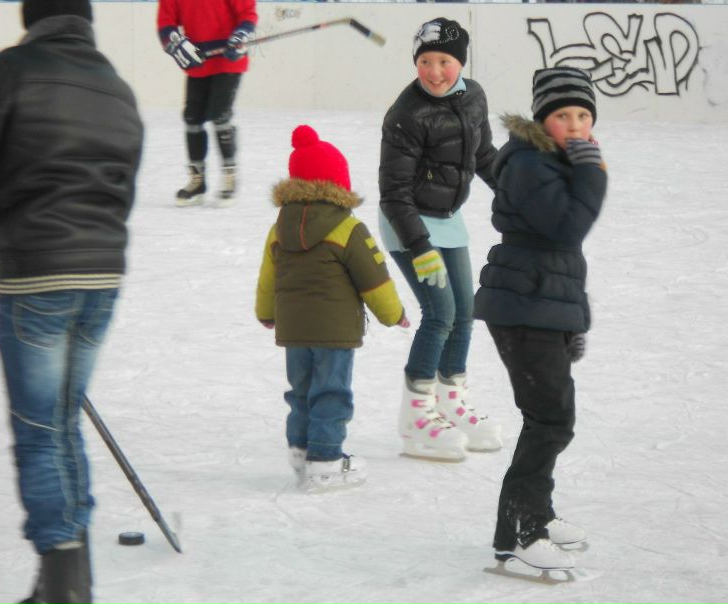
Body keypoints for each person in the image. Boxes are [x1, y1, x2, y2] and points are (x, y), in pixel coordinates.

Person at [0, 1, 144, 601]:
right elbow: (121, 190)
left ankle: (64, 581)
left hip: (37, 274)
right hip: (102, 275)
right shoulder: (118, 88)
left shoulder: (15, 67)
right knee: (61, 422)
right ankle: (66, 579)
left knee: (39, 430)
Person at [474, 66, 607, 572]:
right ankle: (521, 534)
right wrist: (592, 171)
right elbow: (568, 226)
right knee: (550, 420)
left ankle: (535, 518)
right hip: (521, 308)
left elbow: (565, 259)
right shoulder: (532, 163)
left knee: (551, 417)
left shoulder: (553, 159)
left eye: (582, 115)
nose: (574, 125)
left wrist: (575, 324)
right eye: (562, 115)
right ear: (542, 119)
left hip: (536, 303)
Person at [256, 125, 409, 493]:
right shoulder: (348, 228)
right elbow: (374, 277)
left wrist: (267, 313)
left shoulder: (280, 228)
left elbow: (268, 277)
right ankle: (325, 462)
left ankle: (301, 451)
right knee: (331, 392)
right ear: (338, 183)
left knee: (301, 391)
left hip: (294, 330)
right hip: (335, 331)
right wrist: (393, 314)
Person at [378, 17, 502, 462]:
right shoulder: (405, 114)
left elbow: (483, 155)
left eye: (444, 61)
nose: (434, 72)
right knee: (440, 313)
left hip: (447, 218)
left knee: (465, 312)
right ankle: (415, 417)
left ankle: (451, 402)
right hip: (406, 222)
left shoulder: (473, 98)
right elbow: (393, 193)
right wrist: (419, 246)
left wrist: (515, 187)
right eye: (425, 61)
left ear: (460, 63)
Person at [157, 0, 257, 207]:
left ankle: (229, 175)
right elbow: (165, 23)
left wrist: (240, 35)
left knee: (219, 115)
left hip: (229, 60)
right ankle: (197, 180)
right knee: (192, 118)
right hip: (199, 61)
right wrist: (176, 43)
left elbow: (248, 14)